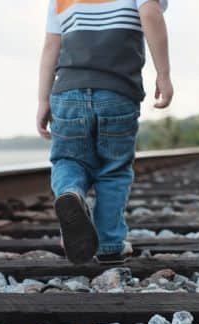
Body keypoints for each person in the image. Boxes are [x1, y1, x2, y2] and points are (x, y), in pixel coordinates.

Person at [37, 0, 173, 265]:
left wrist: (43, 100)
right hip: (117, 92)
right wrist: (163, 74)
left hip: (67, 94)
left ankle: (71, 193)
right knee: (113, 169)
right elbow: (151, 14)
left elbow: (51, 46)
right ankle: (109, 243)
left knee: (68, 160)